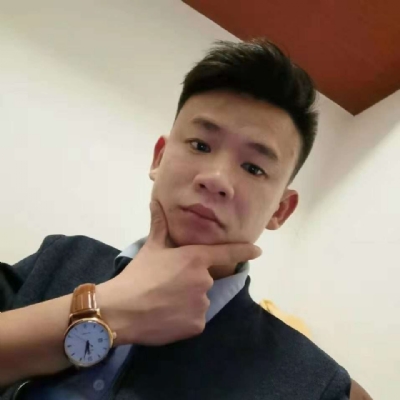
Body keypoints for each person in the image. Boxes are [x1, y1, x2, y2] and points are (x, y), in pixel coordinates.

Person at [0, 39, 372, 399]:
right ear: (159, 158)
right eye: (200, 145)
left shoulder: (313, 383)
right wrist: (107, 307)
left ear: (281, 210)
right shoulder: (60, 258)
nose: (216, 179)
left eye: (254, 168)